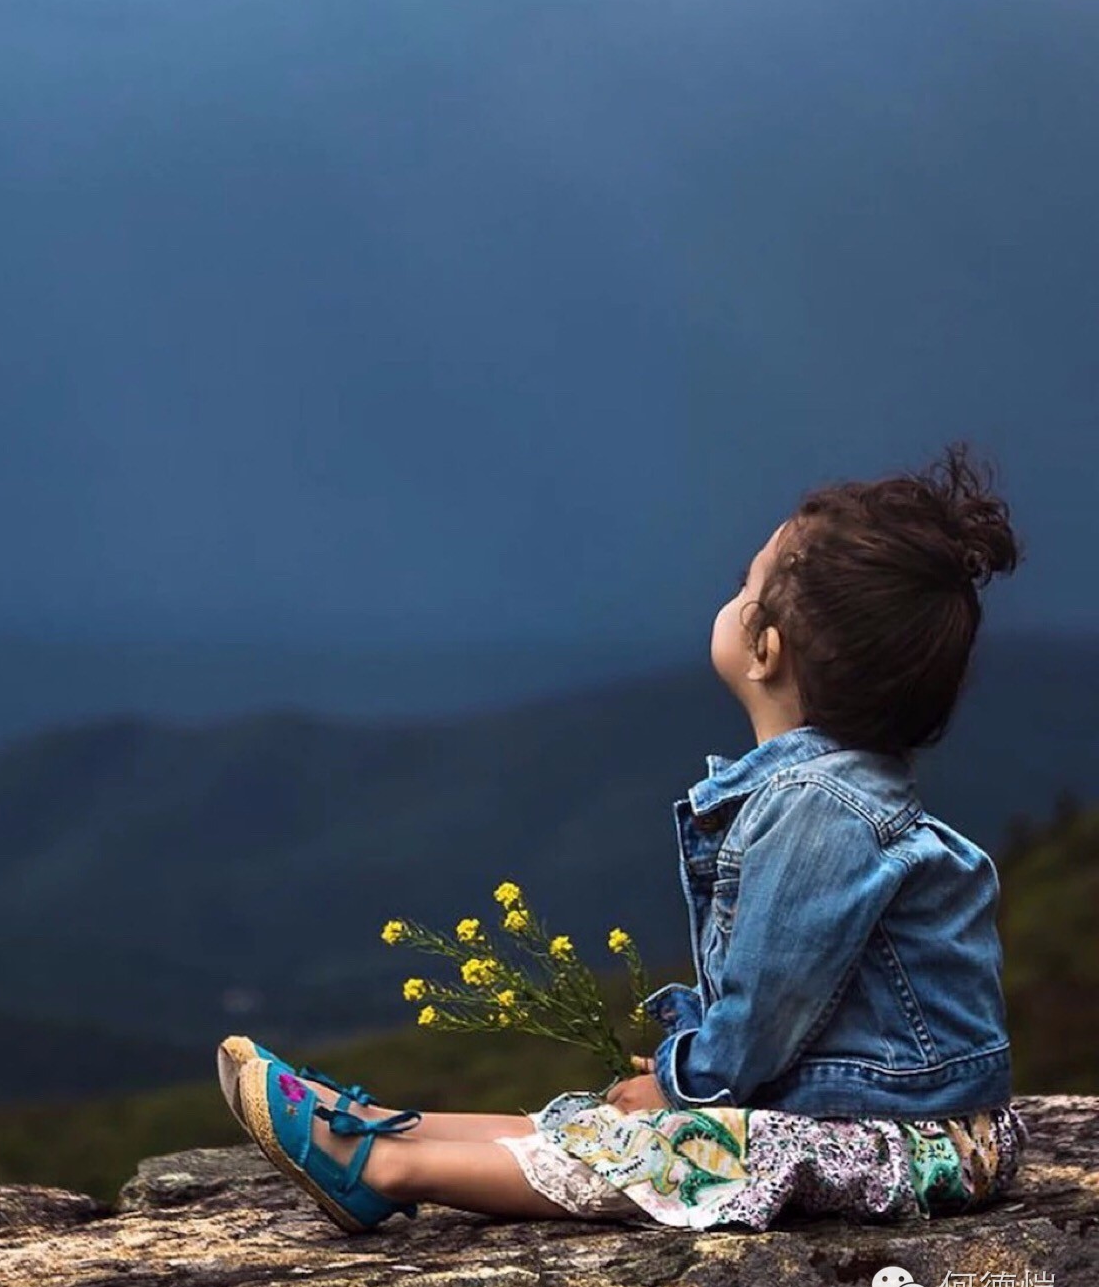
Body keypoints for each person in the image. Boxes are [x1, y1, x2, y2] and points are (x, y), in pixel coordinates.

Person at [217, 438, 1030, 1234]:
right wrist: (691, 1077)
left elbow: (766, 1008)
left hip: (914, 1141)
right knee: (616, 1124)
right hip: (885, 1115)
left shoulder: (818, 808)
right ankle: (391, 1125)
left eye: (740, 584)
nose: (731, 592)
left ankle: (389, 1167)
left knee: (681, 1151)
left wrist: (689, 1086)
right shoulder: (826, 795)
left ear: (763, 649)